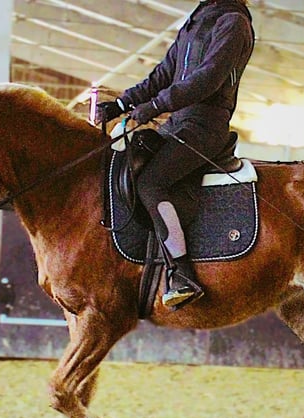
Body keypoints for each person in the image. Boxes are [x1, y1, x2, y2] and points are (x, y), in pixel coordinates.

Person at [96, 0, 254, 309]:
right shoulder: (198, 19)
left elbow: (207, 79)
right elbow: (163, 74)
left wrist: (154, 107)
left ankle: (182, 275)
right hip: (179, 121)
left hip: (204, 125)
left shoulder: (234, 23)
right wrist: (122, 104)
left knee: (152, 183)